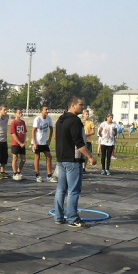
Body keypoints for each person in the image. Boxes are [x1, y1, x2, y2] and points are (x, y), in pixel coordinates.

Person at [54, 97, 96, 227]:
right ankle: (73, 218)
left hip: (61, 159)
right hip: (72, 160)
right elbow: (78, 142)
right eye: (80, 105)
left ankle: (59, 216)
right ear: (73, 105)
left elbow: (57, 138)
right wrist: (90, 157)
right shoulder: (75, 121)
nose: (83, 107)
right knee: (73, 190)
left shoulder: (60, 120)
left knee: (61, 189)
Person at [32, 105, 54, 183]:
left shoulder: (49, 118)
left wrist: (49, 139)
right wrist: (34, 143)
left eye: (48, 109)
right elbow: (33, 131)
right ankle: (37, 175)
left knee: (49, 156)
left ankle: (49, 175)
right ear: (42, 111)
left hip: (44, 142)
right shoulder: (38, 119)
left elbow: (51, 129)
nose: (47, 111)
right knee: (37, 157)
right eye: (46, 109)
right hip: (37, 141)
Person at [10, 108, 27, 180]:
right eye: (19, 113)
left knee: (23, 159)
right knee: (15, 158)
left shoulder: (23, 122)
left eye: (21, 112)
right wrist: (19, 143)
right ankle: (15, 173)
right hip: (15, 143)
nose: (21, 114)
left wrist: (24, 142)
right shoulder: (14, 122)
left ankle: (19, 171)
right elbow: (13, 134)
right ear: (15, 114)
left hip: (22, 144)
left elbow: (25, 132)